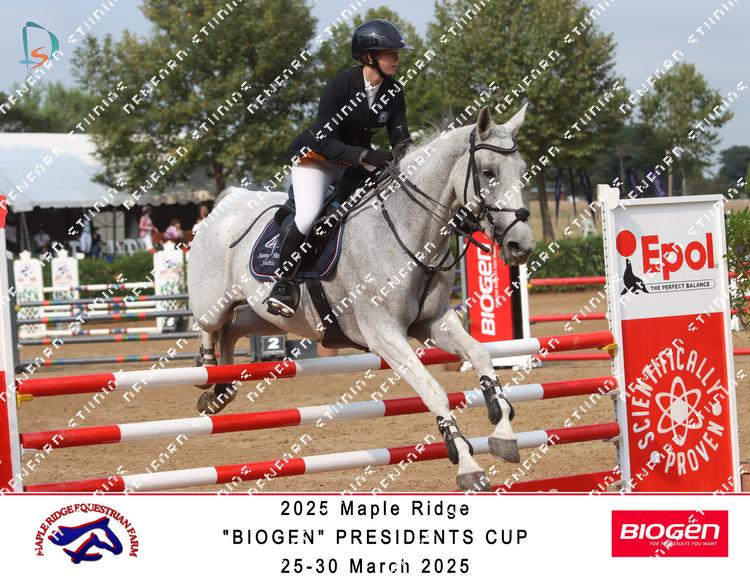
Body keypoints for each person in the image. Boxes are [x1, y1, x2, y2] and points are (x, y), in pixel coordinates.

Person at [265, 19, 414, 318]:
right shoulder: (339, 86)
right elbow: (324, 139)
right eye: (391, 53)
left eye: (397, 54)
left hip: (353, 165)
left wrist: (404, 156)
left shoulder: (394, 91)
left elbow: (400, 136)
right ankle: (283, 283)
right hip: (316, 160)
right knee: (308, 215)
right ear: (369, 57)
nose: (397, 59)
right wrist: (366, 154)